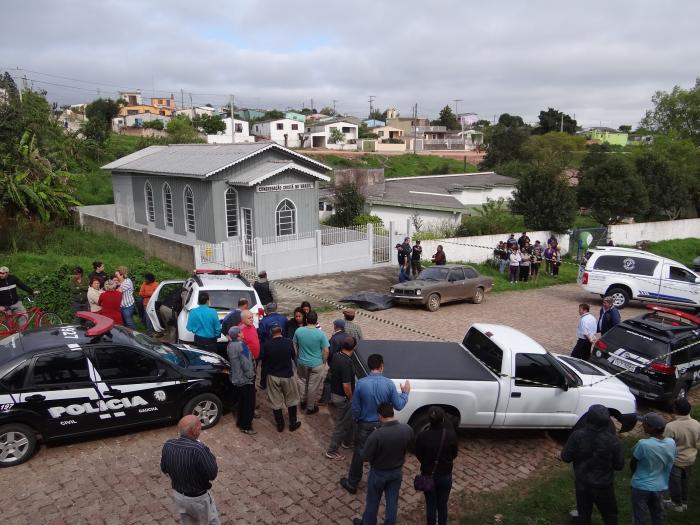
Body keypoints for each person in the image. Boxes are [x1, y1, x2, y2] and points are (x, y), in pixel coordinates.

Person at [340, 353, 411, 495]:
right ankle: (377, 483)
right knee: (380, 454)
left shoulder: (361, 383)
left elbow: (355, 406)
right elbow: (398, 405)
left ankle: (352, 482)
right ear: (382, 366)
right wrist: (405, 393)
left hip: (365, 425)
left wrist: (357, 419)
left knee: (359, 454)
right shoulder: (389, 384)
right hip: (383, 425)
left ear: (369, 366)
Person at [561, 404, 624, 525]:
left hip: (583, 484)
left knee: (584, 515)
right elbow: (619, 465)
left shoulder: (578, 436)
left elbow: (565, 457)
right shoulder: (613, 441)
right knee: (610, 516)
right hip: (604, 486)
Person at [351, 402, 414, 525]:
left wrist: (363, 447)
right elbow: (411, 445)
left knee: (373, 502)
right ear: (392, 413)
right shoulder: (407, 429)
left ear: (380, 416)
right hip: (396, 472)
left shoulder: (377, 435)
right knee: (392, 503)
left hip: (378, 473)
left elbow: (365, 457)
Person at [161, 415, 220, 525]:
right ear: (194, 430)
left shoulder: (168, 445)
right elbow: (212, 474)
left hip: (179, 497)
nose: (200, 428)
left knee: (187, 522)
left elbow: (164, 469)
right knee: (209, 521)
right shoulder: (199, 449)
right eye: (199, 426)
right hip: (198, 500)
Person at [415, 406, 459, 525]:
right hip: (445, 475)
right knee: (442, 505)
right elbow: (454, 454)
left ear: (429, 420)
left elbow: (418, 454)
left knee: (431, 506)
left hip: (428, 475)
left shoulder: (423, 436)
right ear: (443, 420)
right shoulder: (451, 435)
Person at [631, 412, 676, 525]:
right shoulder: (671, 443)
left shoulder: (643, 444)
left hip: (641, 485)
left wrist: (633, 474)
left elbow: (633, 462)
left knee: (640, 515)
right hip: (660, 486)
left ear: (652, 428)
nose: (642, 425)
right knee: (658, 514)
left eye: (645, 424)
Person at [260, 324, 301, 432]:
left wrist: (263, 380)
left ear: (270, 332)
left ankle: (280, 425)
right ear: (281, 331)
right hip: (287, 375)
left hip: (273, 376)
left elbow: (264, 364)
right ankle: (292, 423)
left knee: (275, 402)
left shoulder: (266, 345)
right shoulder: (288, 342)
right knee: (292, 400)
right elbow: (293, 356)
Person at [663, 399, 700, 512]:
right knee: (685, 481)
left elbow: (665, 444)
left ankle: (676, 504)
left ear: (675, 410)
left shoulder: (671, 426)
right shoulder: (697, 424)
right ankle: (684, 503)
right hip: (690, 458)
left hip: (676, 460)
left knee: (675, 483)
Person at [326, 336, 357, 461]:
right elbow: (346, 385)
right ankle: (332, 450)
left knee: (350, 420)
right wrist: (351, 398)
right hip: (343, 397)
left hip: (335, 394)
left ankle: (347, 442)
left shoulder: (337, 356)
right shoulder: (346, 362)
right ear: (354, 347)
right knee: (341, 425)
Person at [292, 310, 329, 415]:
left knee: (302, 381)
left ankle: (302, 401)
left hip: (302, 362)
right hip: (316, 364)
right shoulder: (321, 334)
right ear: (316, 321)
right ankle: (310, 407)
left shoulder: (299, 331)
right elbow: (326, 350)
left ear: (306, 319)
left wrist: (297, 355)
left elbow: (294, 344)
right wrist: (324, 361)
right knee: (313, 386)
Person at [226, 327, 256, 435]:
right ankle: (246, 426)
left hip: (236, 378)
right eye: (241, 332)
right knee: (249, 404)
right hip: (245, 380)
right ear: (238, 335)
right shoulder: (242, 345)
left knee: (242, 402)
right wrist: (251, 376)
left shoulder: (230, 345)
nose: (242, 333)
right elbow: (246, 364)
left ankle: (240, 422)